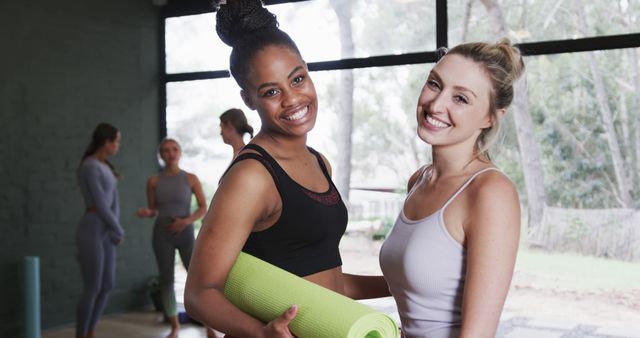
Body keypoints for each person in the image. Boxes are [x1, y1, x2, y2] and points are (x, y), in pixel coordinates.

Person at [184, 1, 388, 337]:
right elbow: (199, 293)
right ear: (249, 99)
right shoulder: (251, 176)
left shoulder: (319, 162)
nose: (292, 99)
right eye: (271, 92)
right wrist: (261, 333)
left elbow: (328, 284)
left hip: (331, 328)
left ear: (307, 71)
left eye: (297, 79)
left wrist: (399, 285)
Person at [379, 39, 524, 338]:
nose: (436, 104)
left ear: (491, 117)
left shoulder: (490, 192)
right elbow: (414, 289)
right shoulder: (419, 179)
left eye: (461, 98)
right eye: (435, 84)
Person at [135, 138, 211, 338]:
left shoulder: (191, 178)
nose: (170, 153)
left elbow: (203, 208)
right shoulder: (153, 181)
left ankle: (209, 326)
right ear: (161, 155)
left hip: (185, 233)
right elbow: (154, 209)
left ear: (180, 152)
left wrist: (185, 222)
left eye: (174, 149)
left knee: (196, 279)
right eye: (166, 150)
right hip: (162, 235)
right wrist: (147, 212)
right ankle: (175, 326)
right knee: (166, 281)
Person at [75, 122, 125, 338]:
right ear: (107, 142)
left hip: (106, 230)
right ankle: (82, 333)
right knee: (93, 286)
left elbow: (114, 203)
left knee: (107, 284)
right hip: (93, 228)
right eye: (117, 141)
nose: (118, 145)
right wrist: (118, 229)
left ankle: (91, 330)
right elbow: (100, 204)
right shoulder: (89, 166)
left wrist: (114, 229)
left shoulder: (105, 167)